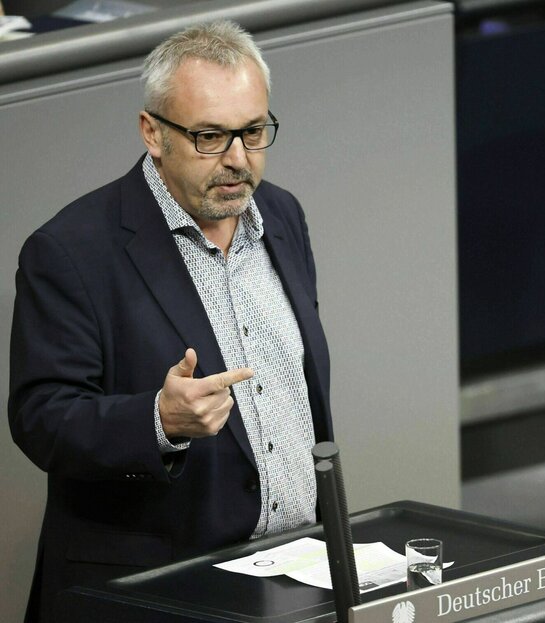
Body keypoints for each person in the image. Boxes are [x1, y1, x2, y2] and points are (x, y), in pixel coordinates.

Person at [8, 19, 332, 623]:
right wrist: (157, 420)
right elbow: (40, 416)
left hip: (297, 576)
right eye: (210, 137)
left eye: (254, 132)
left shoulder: (282, 216)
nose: (238, 160)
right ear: (152, 132)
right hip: (159, 594)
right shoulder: (72, 251)